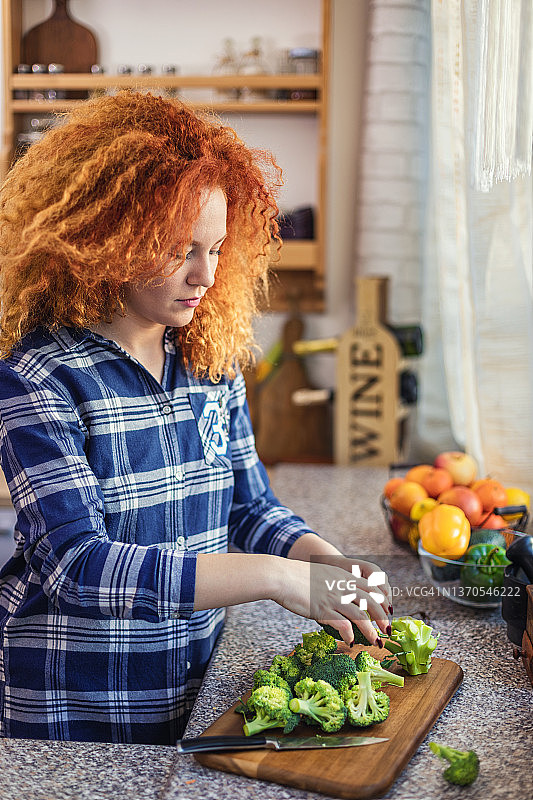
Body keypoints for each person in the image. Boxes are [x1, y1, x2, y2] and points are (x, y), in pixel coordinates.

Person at [0, 92, 391, 745]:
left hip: (192, 686)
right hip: (81, 712)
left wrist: (324, 560)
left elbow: (248, 507)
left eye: (215, 248)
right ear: (106, 238)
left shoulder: (210, 361)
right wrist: (275, 578)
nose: (204, 274)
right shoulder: (39, 376)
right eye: (180, 248)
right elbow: (77, 567)